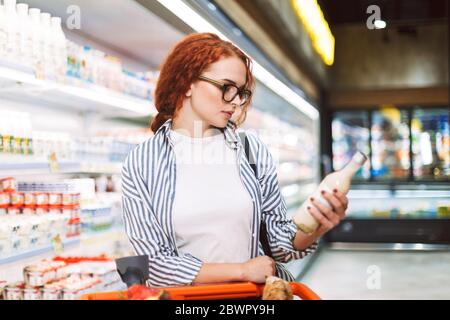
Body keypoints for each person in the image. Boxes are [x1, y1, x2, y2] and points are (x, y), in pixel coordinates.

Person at [121, 33, 349, 287]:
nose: (237, 102)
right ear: (186, 83)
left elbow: (281, 245)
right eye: (226, 88)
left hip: (251, 300)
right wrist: (241, 271)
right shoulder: (141, 163)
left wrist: (314, 225)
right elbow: (152, 264)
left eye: (241, 92)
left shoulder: (251, 150)